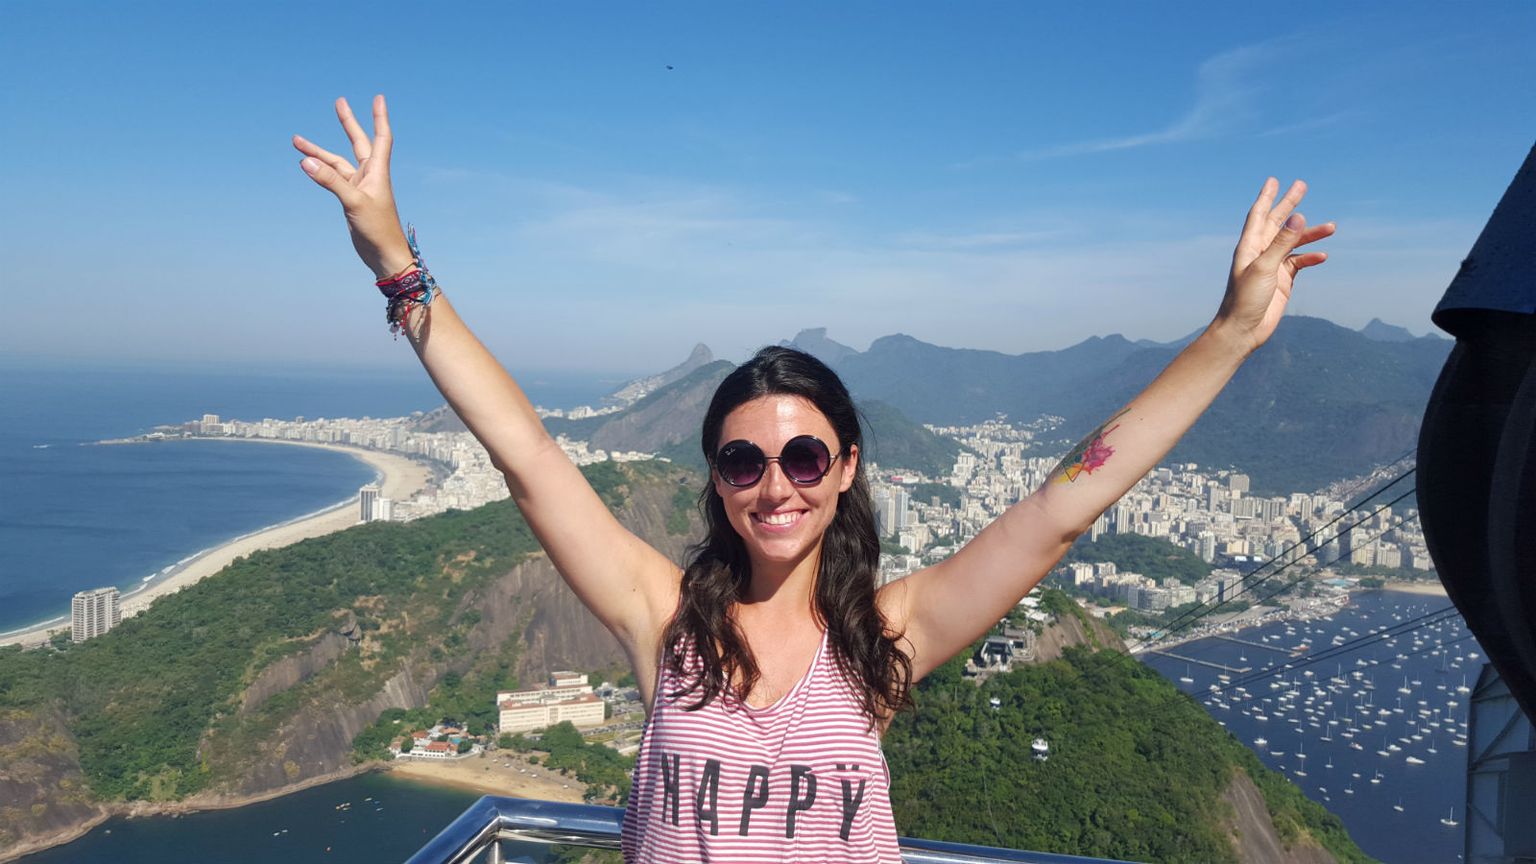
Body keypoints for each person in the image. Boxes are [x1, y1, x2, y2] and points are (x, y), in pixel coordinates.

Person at [294, 95, 1335, 862]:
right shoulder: (665, 622)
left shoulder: (884, 641)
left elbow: (1064, 506)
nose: (775, 485)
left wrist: (1229, 335)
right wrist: (396, 263)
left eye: (803, 457)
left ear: (845, 472)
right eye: (743, 460)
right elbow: (526, 454)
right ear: (716, 479)